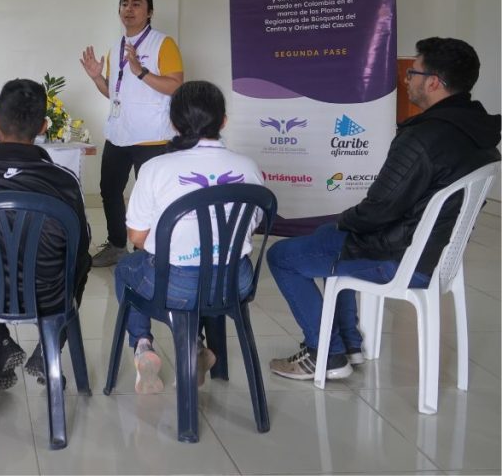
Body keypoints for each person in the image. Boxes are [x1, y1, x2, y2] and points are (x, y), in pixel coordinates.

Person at [268, 38, 501, 380]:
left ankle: (326, 354)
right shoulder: (480, 133)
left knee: (282, 257)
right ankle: (349, 344)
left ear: (433, 82)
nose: (406, 79)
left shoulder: (423, 138)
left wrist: (344, 220)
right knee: (325, 235)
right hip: (434, 254)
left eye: (412, 72)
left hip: (399, 257)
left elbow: (377, 211)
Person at [113, 81, 265, 394]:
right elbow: (254, 224)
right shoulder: (248, 167)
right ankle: (194, 345)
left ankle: (143, 345)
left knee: (129, 267)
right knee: (193, 274)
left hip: (176, 286)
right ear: (223, 121)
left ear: (173, 123)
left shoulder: (156, 168)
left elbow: (138, 237)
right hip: (235, 282)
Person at [0, 79, 92, 391]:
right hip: (49, 296)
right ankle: (48, 347)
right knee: (83, 262)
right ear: (42, 126)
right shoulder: (63, 181)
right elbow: (79, 248)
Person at [80, 0, 185, 268]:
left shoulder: (163, 44)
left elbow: (175, 85)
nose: (129, 8)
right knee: (109, 189)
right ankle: (116, 245)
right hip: (118, 133)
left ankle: (148, 251)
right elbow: (114, 94)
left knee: (149, 196)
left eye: (136, 4)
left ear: (149, 12)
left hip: (153, 136)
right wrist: (96, 77)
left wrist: (141, 71)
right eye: (124, 3)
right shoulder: (115, 49)